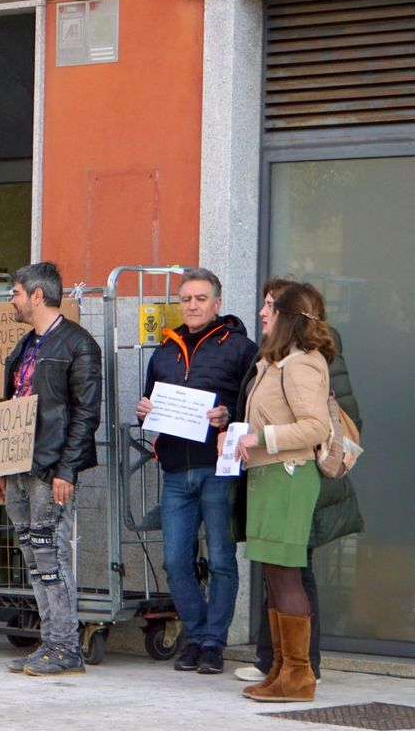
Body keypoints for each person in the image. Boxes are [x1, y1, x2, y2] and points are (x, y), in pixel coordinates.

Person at [238, 280, 363, 685]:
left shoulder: (303, 363)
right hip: (269, 475)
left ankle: (297, 675)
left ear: (288, 319)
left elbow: (313, 428)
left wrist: (260, 438)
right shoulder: (277, 361)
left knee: (288, 574)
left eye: (272, 310)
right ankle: (280, 669)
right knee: (276, 574)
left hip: (288, 475)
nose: (263, 314)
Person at [133, 267, 255, 676]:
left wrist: (229, 414)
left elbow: (255, 407)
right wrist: (144, 410)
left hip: (218, 469)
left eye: (201, 298)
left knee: (221, 558)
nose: (193, 305)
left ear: (217, 303)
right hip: (174, 471)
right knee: (174, 560)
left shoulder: (240, 348)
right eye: (186, 299)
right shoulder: (164, 351)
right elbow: (150, 402)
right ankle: (197, 635)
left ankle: (213, 644)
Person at [0, 262, 102, 677]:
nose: (12, 299)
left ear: (37, 296)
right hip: (20, 466)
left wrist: (66, 470)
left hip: (49, 468)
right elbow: (11, 408)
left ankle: (65, 646)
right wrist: (2, 469)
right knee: (33, 553)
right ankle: (50, 642)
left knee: (51, 553)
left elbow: (85, 413)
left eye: (16, 292)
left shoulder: (78, 345)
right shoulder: (25, 346)